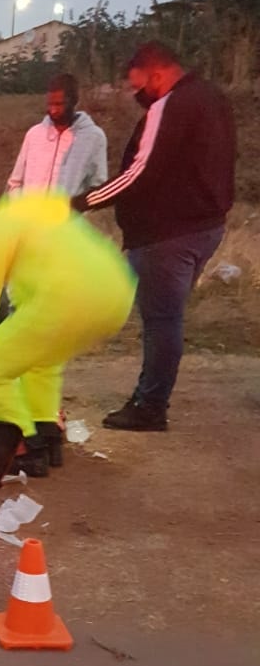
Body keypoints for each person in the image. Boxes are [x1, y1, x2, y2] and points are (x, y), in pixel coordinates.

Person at [72, 41, 237, 432]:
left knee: (161, 321)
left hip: (168, 233)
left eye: (138, 86)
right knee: (167, 318)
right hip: (205, 226)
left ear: (158, 75)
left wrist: (81, 202)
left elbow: (138, 174)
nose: (136, 95)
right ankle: (151, 396)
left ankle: (150, 405)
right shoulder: (212, 98)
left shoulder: (171, 105)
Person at [0, 189, 136, 476]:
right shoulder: (39, 212)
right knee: (42, 361)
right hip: (116, 294)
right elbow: (28, 296)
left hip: (64, 299)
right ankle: (47, 431)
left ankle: (24, 447)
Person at [7, 73, 108, 198]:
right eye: (50, 104)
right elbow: (15, 183)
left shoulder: (94, 137)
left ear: (74, 101)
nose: (53, 110)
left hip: (67, 216)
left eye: (59, 104)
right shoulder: (34, 134)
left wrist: (76, 210)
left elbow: (98, 187)